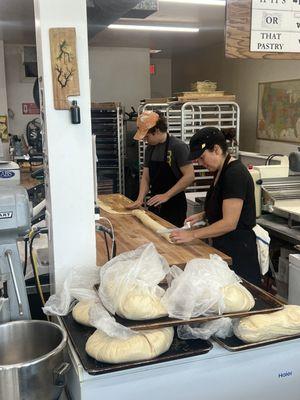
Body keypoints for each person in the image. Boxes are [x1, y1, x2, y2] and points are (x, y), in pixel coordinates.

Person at [170, 127, 261, 286]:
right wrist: (204, 215)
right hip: (224, 246)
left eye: (202, 158)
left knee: (243, 299)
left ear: (217, 150)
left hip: (239, 251)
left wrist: (192, 235)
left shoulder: (235, 174)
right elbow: (223, 205)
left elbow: (229, 222)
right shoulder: (220, 171)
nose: (199, 163)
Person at [126, 111, 195, 227]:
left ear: (157, 131)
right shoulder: (150, 149)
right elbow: (146, 177)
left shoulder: (178, 147)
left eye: (147, 136)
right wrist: (140, 199)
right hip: (155, 202)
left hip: (174, 205)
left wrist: (167, 195)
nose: (145, 140)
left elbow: (189, 176)